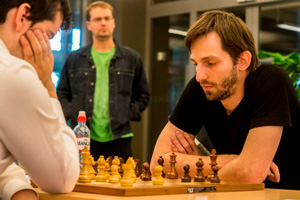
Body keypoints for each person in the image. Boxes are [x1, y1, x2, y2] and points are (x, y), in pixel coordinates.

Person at [150, 10, 300, 190]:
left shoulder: (270, 80)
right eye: (196, 64)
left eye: (211, 63)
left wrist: (198, 167)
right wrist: (233, 160)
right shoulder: (202, 87)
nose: (199, 76)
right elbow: (157, 165)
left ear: (243, 61)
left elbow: (250, 174)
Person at [0, 0, 79, 199]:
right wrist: (47, 85)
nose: (46, 49)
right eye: (48, 36)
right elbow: (62, 178)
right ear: (23, 16)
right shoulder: (11, 72)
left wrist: (16, 186)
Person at [57, 1, 150, 161]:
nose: (103, 23)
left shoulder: (131, 58)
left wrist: (126, 113)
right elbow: (62, 93)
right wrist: (73, 112)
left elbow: (143, 95)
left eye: (107, 18)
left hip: (120, 137)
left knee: (121, 181)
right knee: (82, 183)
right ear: (89, 24)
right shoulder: (75, 58)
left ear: (113, 22)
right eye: (98, 19)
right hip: (83, 137)